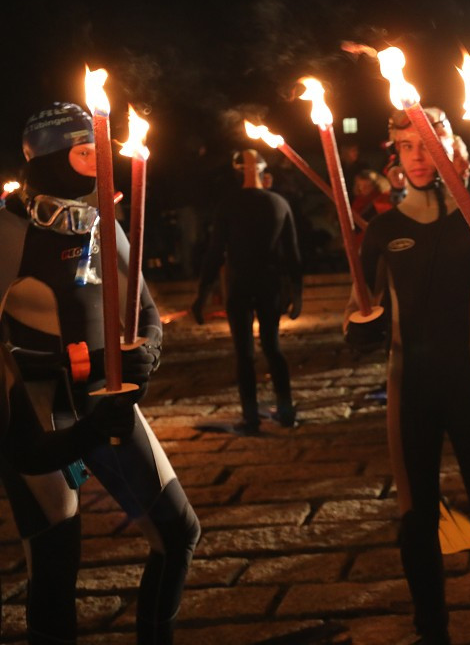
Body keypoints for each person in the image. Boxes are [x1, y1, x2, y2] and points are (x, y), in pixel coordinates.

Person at [2, 103, 200, 644]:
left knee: (179, 532)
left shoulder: (98, 220)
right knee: (55, 558)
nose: (97, 167)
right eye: (85, 154)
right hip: (38, 411)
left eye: (100, 153)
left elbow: (147, 313)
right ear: (48, 160)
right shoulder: (9, 232)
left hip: (105, 400)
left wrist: (146, 354)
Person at [345, 107, 470, 645]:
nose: (420, 156)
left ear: (454, 150)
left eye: (429, 143)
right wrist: (358, 330)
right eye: (408, 146)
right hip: (410, 384)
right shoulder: (383, 231)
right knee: (416, 517)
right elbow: (360, 309)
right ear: (396, 154)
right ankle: (432, 632)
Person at [192, 149, 302, 434]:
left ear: (237, 172)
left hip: (240, 284)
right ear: (264, 173)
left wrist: (202, 293)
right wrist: (297, 292)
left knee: (245, 353)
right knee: (273, 347)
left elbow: (215, 251)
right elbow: (292, 253)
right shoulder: (279, 203)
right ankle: (286, 410)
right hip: (269, 283)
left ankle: (251, 416)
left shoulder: (229, 204)